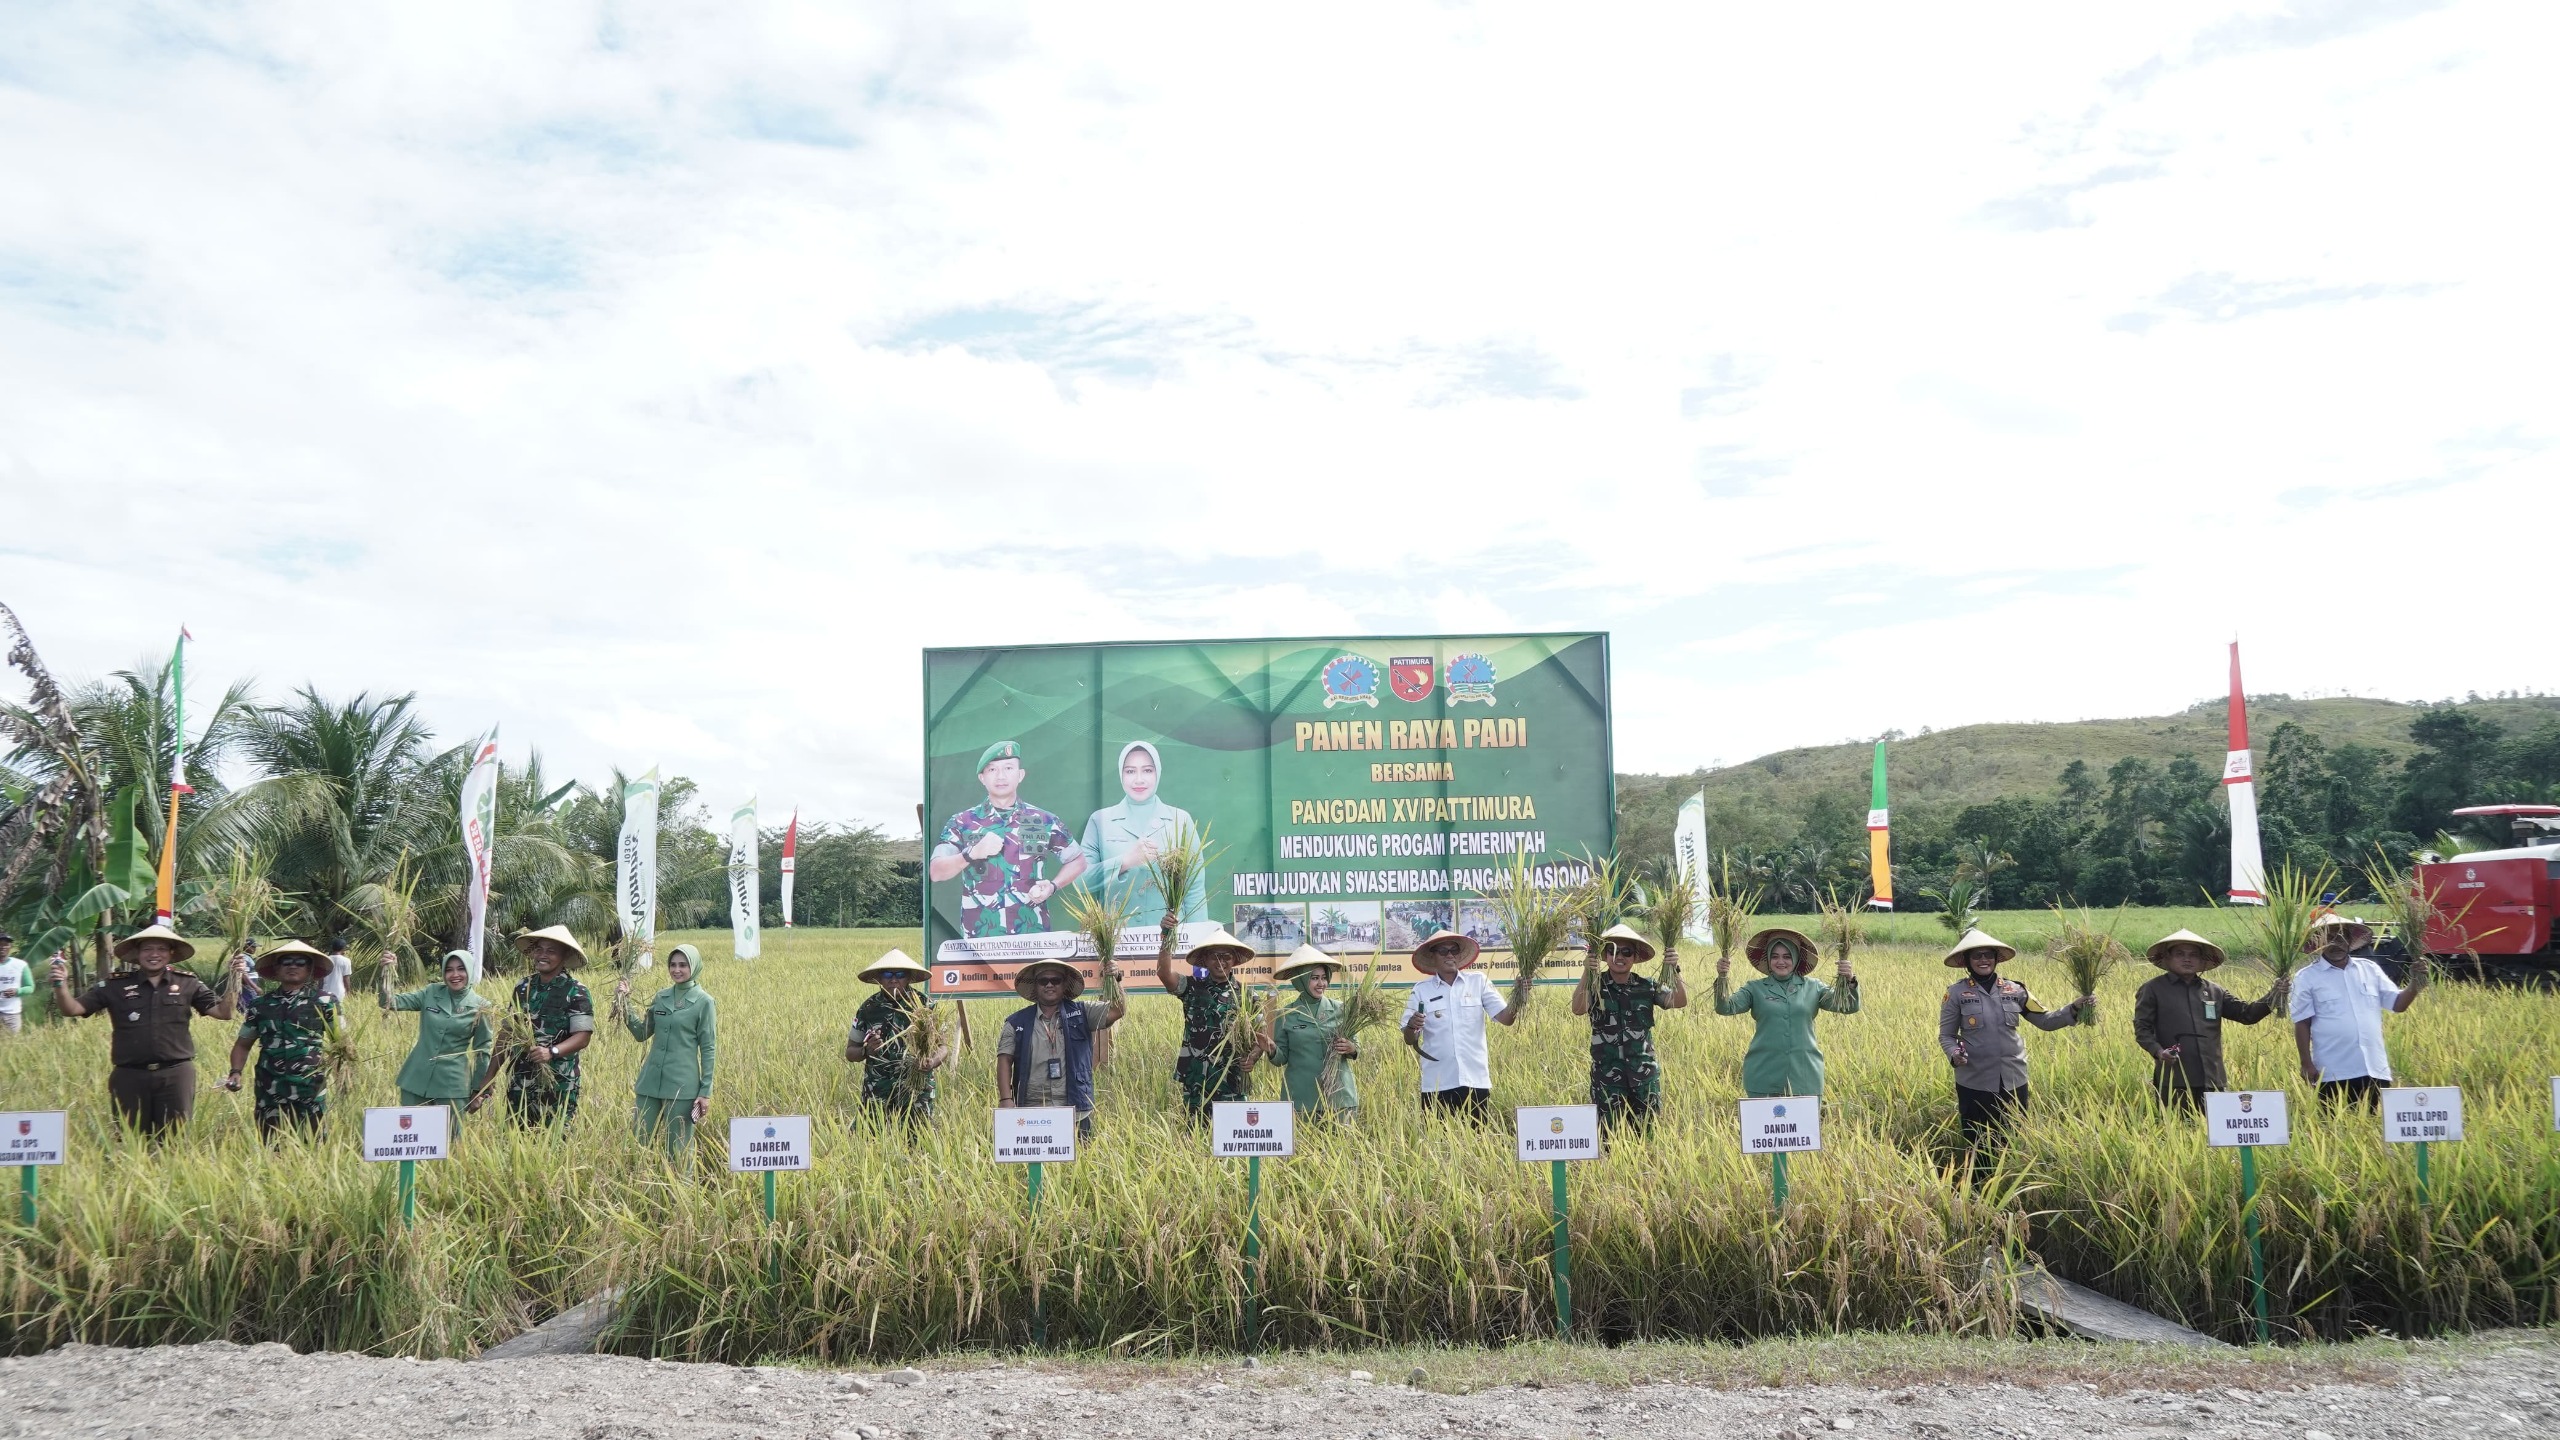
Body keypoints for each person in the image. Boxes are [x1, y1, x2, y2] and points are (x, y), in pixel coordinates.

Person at [50, 923, 238, 1138]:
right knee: (131, 1138)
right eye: (147, 949)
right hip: (129, 1075)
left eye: (161, 949)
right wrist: (60, 985)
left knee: (174, 1140)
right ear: (137, 953)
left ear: (171, 953)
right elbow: (72, 1009)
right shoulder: (115, 985)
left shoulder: (188, 983)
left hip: (175, 1074)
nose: (154, 954)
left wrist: (234, 978)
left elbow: (224, 1012)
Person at [1935, 928, 2088, 1146]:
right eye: (1977, 955)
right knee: (1978, 1142)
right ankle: (1978, 1170)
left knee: (2014, 1140)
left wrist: (2074, 1007)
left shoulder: (2015, 990)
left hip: (2014, 1078)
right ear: (1967, 961)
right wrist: (1954, 1054)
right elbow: (1947, 1035)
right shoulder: (1956, 993)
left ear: (1996, 958)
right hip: (1975, 1080)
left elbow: (2045, 1021)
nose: (1983, 959)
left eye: (1988, 954)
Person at [930, 741, 1087, 937]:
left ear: (1020, 775)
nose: (1001, 776)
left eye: (1008, 768)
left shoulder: (1043, 820)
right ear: (982, 778)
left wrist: (1053, 886)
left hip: (1032, 936)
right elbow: (936, 871)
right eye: (992, 769)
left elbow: (1078, 860)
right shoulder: (961, 822)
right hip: (980, 940)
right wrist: (971, 854)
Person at [2130, 928, 2284, 1111]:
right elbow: (2142, 1029)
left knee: (2216, 1128)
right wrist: (2158, 1051)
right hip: (2175, 1079)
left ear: (2203, 960)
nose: (2187, 959)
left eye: (2193, 955)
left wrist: (2275, 994)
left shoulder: (2215, 991)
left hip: (2213, 1080)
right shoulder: (2153, 989)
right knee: (2177, 1127)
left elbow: (2247, 1015)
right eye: (2180, 954)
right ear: (2167, 958)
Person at [2291, 912, 2423, 1110]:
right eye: (2329, 938)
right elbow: (2302, 1022)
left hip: (2374, 1068)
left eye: (2341, 937)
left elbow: (2398, 1004)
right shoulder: (2306, 977)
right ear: (2319, 942)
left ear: (2350, 940)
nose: (2336, 943)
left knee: (2375, 1126)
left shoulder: (2369, 969)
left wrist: (2415, 983)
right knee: (2334, 1125)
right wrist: (2306, 1063)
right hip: (2332, 1072)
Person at [1711, 927, 1858, 1097]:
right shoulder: (1754, 988)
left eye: (1787, 956)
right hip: (1763, 1075)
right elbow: (1725, 1008)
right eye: (1775, 956)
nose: (1781, 961)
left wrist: (1849, 979)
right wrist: (1722, 977)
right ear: (1768, 959)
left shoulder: (1814, 987)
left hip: (1805, 1076)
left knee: (1804, 1116)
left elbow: (1848, 1006)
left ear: (1796, 958)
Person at [1570, 923, 1688, 1131]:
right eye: (1612, 951)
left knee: (1647, 1136)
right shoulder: (1595, 986)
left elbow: (1678, 1001)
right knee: (1607, 1138)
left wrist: (1674, 969)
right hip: (1607, 1079)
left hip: (1643, 1077)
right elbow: (1578, 1008)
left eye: (1626, 952)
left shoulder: (1647, 986)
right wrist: (1588, 972)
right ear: (1605, 956)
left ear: (1634, 957)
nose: (1619, 957)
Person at [1076, 741, 1208, 923]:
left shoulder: (1180, 820)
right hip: (1116, 935)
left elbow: (1194, 888)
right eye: (1130, 771)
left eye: (1147, 770)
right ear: (1121, 774)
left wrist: (1197, 937)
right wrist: (1125, 861)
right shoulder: (1100, 820)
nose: (1139, 779)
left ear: (1157, 772)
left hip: (1168, 935)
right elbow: (1080, 880)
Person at [995, 958, 1127, 1136]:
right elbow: (1004, 1060)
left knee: (1082, 1153)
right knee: (1036, 1153)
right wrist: (1006, 1099)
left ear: (1064, 985)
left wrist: (1116, 980)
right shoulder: (1016, 1022)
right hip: (1033, 1108)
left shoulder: (1083, 1012)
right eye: (1043, 981)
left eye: (1055, 980)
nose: (1049, 985)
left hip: (1075, 1107)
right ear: (1035, 986)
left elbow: (1117, 1010)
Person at [221, 939, 337, 1139]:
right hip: (269, 1087)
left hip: (310, 1086)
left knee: (313, 1140)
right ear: (276, 969)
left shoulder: (325, 1001)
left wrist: (343, 1075)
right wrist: (235, 1072)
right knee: (270, 1142)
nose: (293, 966)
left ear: (310, 969)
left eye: (300, 962)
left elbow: (341, 1042)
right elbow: (243, 1044)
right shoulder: (260, 1005)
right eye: (286, 961)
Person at [615, 941, 717, 1165]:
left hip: (682, 1086)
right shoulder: (661, 997)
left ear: (694, 967)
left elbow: (709, 1048)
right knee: (639, 1141)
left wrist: (705, 1091)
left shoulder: (704, 1002)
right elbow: (641, 1033)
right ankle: (639, 1181)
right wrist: (624, 1002)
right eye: (673, 965)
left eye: (683, 965)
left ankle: (681, 1186)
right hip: (650, 1082)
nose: (677, 970)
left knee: (678, 1148)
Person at [1399, 929, 1517, 1120]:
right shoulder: (1421, 990)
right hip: (1437, 1082)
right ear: (1432, 956)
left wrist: (1520, 995)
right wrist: (1412, 1025)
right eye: (1443, 951)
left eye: (1454, 950)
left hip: (1475, 1079)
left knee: (1477, 1136)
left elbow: (1507, 1019)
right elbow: (1409, 1038)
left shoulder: (1478, 982)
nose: (1450, 955)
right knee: (1436, 1138)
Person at [1160, 926, 1267, 1119]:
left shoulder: (1248, 995)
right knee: (1195, 1132)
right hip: (1197, 1081)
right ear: (1205, 960)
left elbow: (1262, 1037)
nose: (1220, 962)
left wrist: (1252, 1057)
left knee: (1234, 1134)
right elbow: (1164, 974)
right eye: (1214, 957)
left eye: (1226, 956)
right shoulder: (1191, 987)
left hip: (1232, 1081)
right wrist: (1167, 936)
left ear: (1234, 960)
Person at [381, 949, 494, 1119]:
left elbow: (482, 1051)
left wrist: (479, 1090)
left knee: (451, 1134)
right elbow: (388, 1002)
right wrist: (387, 972)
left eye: (461, 969)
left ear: (470, 970)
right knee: (413, 1133)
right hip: (416, 1080)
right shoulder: (431, 993)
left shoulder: (482, 1006)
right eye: (449, 970)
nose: (455, 975)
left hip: (452, 1085)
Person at [505, 926, 596, 1128]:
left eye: (551, 951)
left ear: (564, 956)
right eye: (539, 949)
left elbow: (583, 1037)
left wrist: (551, 1052)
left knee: (555, 1140)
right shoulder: (522, 987)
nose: (543, 955)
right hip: (521, 1082)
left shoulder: (576, 991)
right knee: (515, 1138)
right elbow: (507, 1032)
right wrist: (487, 1080)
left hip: (558, 1084)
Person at [846, 948, 949, 1124]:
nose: (893, 979)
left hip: (917, 1090)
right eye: (887, 974)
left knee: (919, 1137)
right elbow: (850, 1052)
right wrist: (866, 1051)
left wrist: (932, 1062)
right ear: (879, 978)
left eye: (900, 974)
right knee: (872, 1137)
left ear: (909, 977)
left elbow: (943, 1047)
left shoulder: (926, 1006)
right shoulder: (868, 1008)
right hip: (877, 1090)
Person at [1266, 945, 1358, 1120]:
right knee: (1302, 1139)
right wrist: (1271, 1049)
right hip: (1301, 1098)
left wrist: (1351, 1048)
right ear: (1300, 980)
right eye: (1314, 978)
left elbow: (1356, 1048)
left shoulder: (1341, 1009)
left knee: (1342, 1139)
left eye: (1324, 978)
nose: (1321, 984)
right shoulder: (1286, 1015)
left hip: (1339, 1097)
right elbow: (1281, 1059)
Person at [0, 933, 28, 1035]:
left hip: (12, 1014)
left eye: (6, 944)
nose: (2, 947)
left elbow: (30, 987)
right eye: (0, 944)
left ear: (10, 946)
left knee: (12, 1042)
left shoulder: (20, 965)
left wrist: (17, 991)